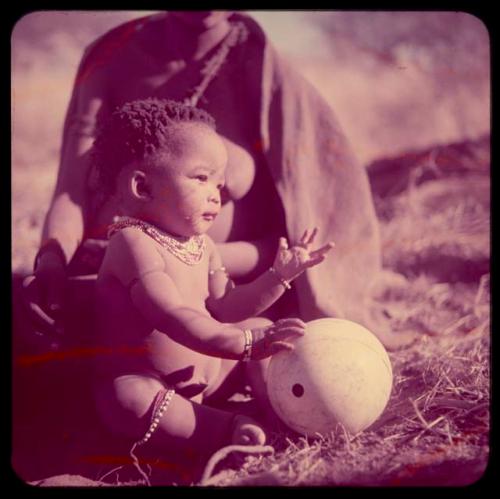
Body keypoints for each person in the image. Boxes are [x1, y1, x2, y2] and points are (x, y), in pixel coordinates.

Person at [23, 11, 412, 350]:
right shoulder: (111, 56)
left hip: (224, 291)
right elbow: (71, 193)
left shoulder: (260, 67)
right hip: (108, 271)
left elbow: (292, 220)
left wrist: (189, 262)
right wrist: (52, 261)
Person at [90, 97, 334, 470]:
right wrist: (244, 344)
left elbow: (226, 305)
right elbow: (172, 314)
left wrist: (278, 277)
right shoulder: (131, 243)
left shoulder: (201, 245)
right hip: (154, 386)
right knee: (129, 399)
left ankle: (280, 408)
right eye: (200, 178)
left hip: (210, 373)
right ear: (142, 187)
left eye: (219, 185)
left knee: (261, 327)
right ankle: (225, 431)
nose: (214, 196)